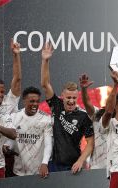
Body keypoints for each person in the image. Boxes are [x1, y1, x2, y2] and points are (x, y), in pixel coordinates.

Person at [40, 42, 94, 173]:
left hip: (74, 165)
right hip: (55, 164)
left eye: (74, 98)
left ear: (77, 97)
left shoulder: (83, 116)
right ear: (62, 96)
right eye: (68, 98)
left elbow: (90, 143)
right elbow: (45, 84)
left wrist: (81, 161)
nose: (71, 101)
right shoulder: (56, 105)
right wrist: (45, 60)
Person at [3, 87, 52, 178]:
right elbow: (11, 139)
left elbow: (48, 144)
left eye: (37, 101)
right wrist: (7, 146)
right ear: (24, 100)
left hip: (38, 171)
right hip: (18, 170)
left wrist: (45, 163)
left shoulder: (45, 119)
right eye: (32, 101)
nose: (35, 104)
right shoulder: (14, 117)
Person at [79, 74, 107, 169]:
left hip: (116, 167)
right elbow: (87, 103)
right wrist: (83, 90)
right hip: (96, 165)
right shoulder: (97, 115)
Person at [0, 39, 22, 117]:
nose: (0, 95)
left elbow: (17, 79)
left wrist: (16, 55)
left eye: (2, 92)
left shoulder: (9, 101)